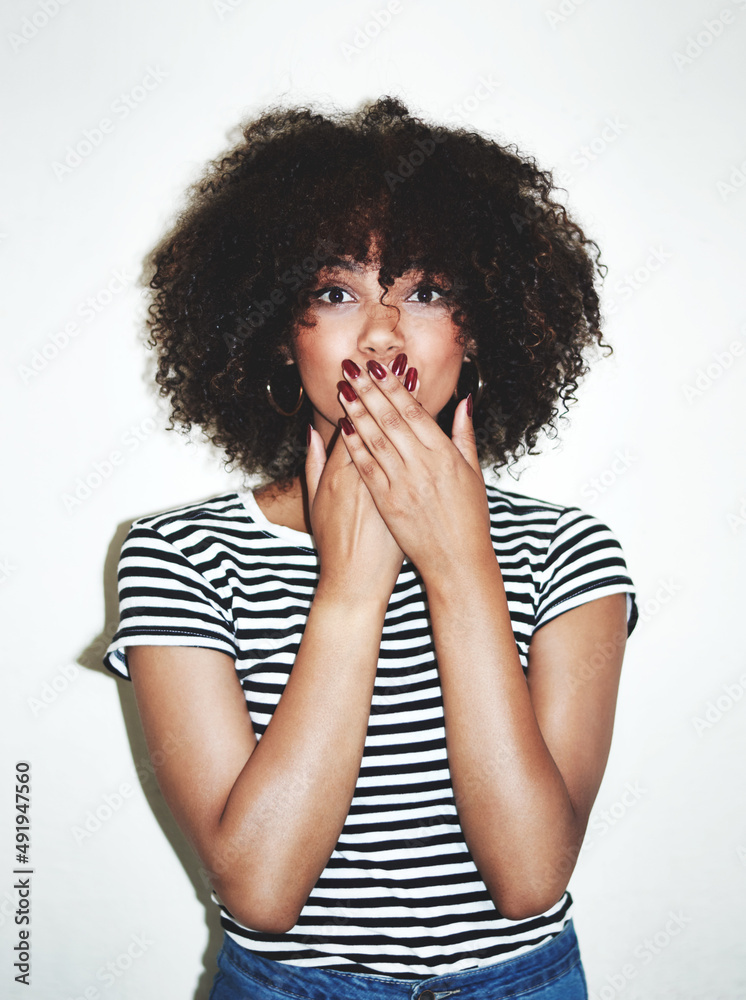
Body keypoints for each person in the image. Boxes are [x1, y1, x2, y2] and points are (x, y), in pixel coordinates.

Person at [103, 95, 638, 1000]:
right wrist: (349, 592)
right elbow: (263, 892)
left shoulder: (567, 549)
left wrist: (462, 567)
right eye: (336, 292)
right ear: (280, 326)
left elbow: (530, 876)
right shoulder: (177, 555)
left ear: (475, 330)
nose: (384, 333)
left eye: (426, 293)